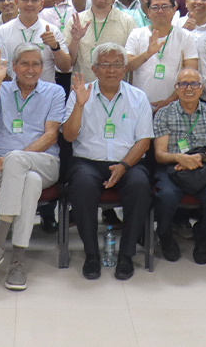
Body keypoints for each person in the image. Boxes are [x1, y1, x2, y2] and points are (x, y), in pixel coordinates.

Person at [0, 46, 66, 290]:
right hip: (0, 166)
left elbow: (51, 136)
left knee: (17, 161)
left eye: (36, 64)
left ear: (42, 68)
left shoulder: (54, 92)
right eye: (24, 63)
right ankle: (18, 261)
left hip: (44, 162)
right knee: (30, 182)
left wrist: (16, 157)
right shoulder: (0, 89)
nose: (30, 69)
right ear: (13, 67)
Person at [62, 43, 154, 281]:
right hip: (87, 162)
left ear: (125, 69)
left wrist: (123, 166)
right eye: (105, 64)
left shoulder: (138, 97)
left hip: (128, 162)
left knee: (140, 186)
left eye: (116, 65)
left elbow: (144, 141)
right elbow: (69, 136)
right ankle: (91, 254)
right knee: (81, 185)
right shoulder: (80, 93)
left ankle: (126, 255)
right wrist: (79, 105)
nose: (111, 70)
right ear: (94, 68)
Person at [152, 68, 206, 265]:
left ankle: (202, 236)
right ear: (176, 88)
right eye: (183, 84)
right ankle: (165, 234)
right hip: (172, 168)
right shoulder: (164, 114)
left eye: (194, 84)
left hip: (203, 168)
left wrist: (196, 159)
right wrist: (179, 158)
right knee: (166, 196)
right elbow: (160, 154)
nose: (189, 88)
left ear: (201, 88)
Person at [125, 0, 199, 113]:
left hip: (174, 105)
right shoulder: (136, 34)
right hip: (138, 105)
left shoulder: (185, 36)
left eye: (165, 6)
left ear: (174, 9)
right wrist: (147, 54)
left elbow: (191, 74)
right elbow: (127, 66)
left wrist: (169, 101)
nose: (160, 11)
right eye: (155, 7)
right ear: (148, 12)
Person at [64, 0, 136, 83]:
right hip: (83, 89)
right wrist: (75, 40)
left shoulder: (128, 22)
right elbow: (68, 63)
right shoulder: (76, 21)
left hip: (117, 90)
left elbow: (132, 66)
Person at [0, 0, 72, 84]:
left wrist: (55, 47)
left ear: (41, 4)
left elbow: (66, 67)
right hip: (13, 91)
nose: (29, 4)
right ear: (16, 2)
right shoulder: (2, 31)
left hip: (45, 92)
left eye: (34, 0)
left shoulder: (52, 31)